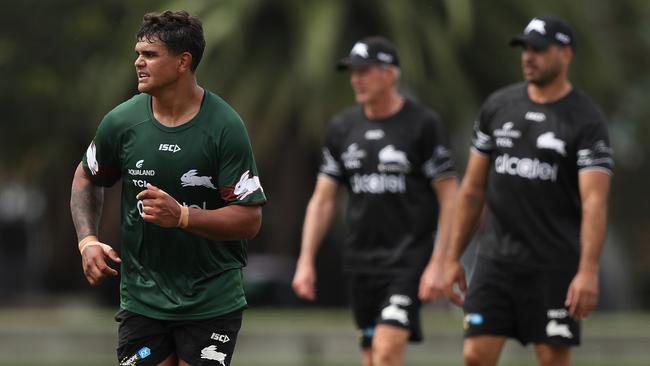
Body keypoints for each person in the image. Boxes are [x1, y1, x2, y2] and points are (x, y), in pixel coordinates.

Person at [69, 10, 266, 366]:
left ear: (182, 62)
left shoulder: (225, 127)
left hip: (212, 301)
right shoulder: (122, 121)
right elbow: (86, 176)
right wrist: (88, 241)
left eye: (150, 55)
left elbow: (249, 219)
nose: (138, 63)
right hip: (143, 300)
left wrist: (183, 217)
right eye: (137, 54)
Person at [443, 15, 613, 366]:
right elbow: (473, 190)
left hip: (554, 265)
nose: (528, 57)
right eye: (524, 49)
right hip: (495, 262)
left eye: (538, 49)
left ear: (565, 54)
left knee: (551, 359)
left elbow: (594, 201)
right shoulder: (498, 107)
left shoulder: (586, 120)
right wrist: (451, 257)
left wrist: (588, 271)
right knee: (475, 355)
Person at [292, 36, 458, 366]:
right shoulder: (342, 127)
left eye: (365, 71)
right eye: (353, 72)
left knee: (386, 349)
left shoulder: (423, 125)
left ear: (390, 74)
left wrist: (441, 261)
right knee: (370, 355)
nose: (356, 79)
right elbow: (323, 199)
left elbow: (451, 198)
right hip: (361, 262)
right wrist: (306, 259)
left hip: (408, 260)